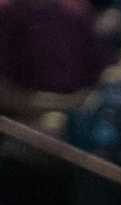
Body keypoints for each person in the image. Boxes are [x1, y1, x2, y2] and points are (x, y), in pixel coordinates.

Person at [0, 0, 114, 129]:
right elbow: (6, 96)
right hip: (22, 128)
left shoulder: (76, 18)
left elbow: (100, 79)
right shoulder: (9, 17)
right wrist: (62, 107)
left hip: (78, 123)